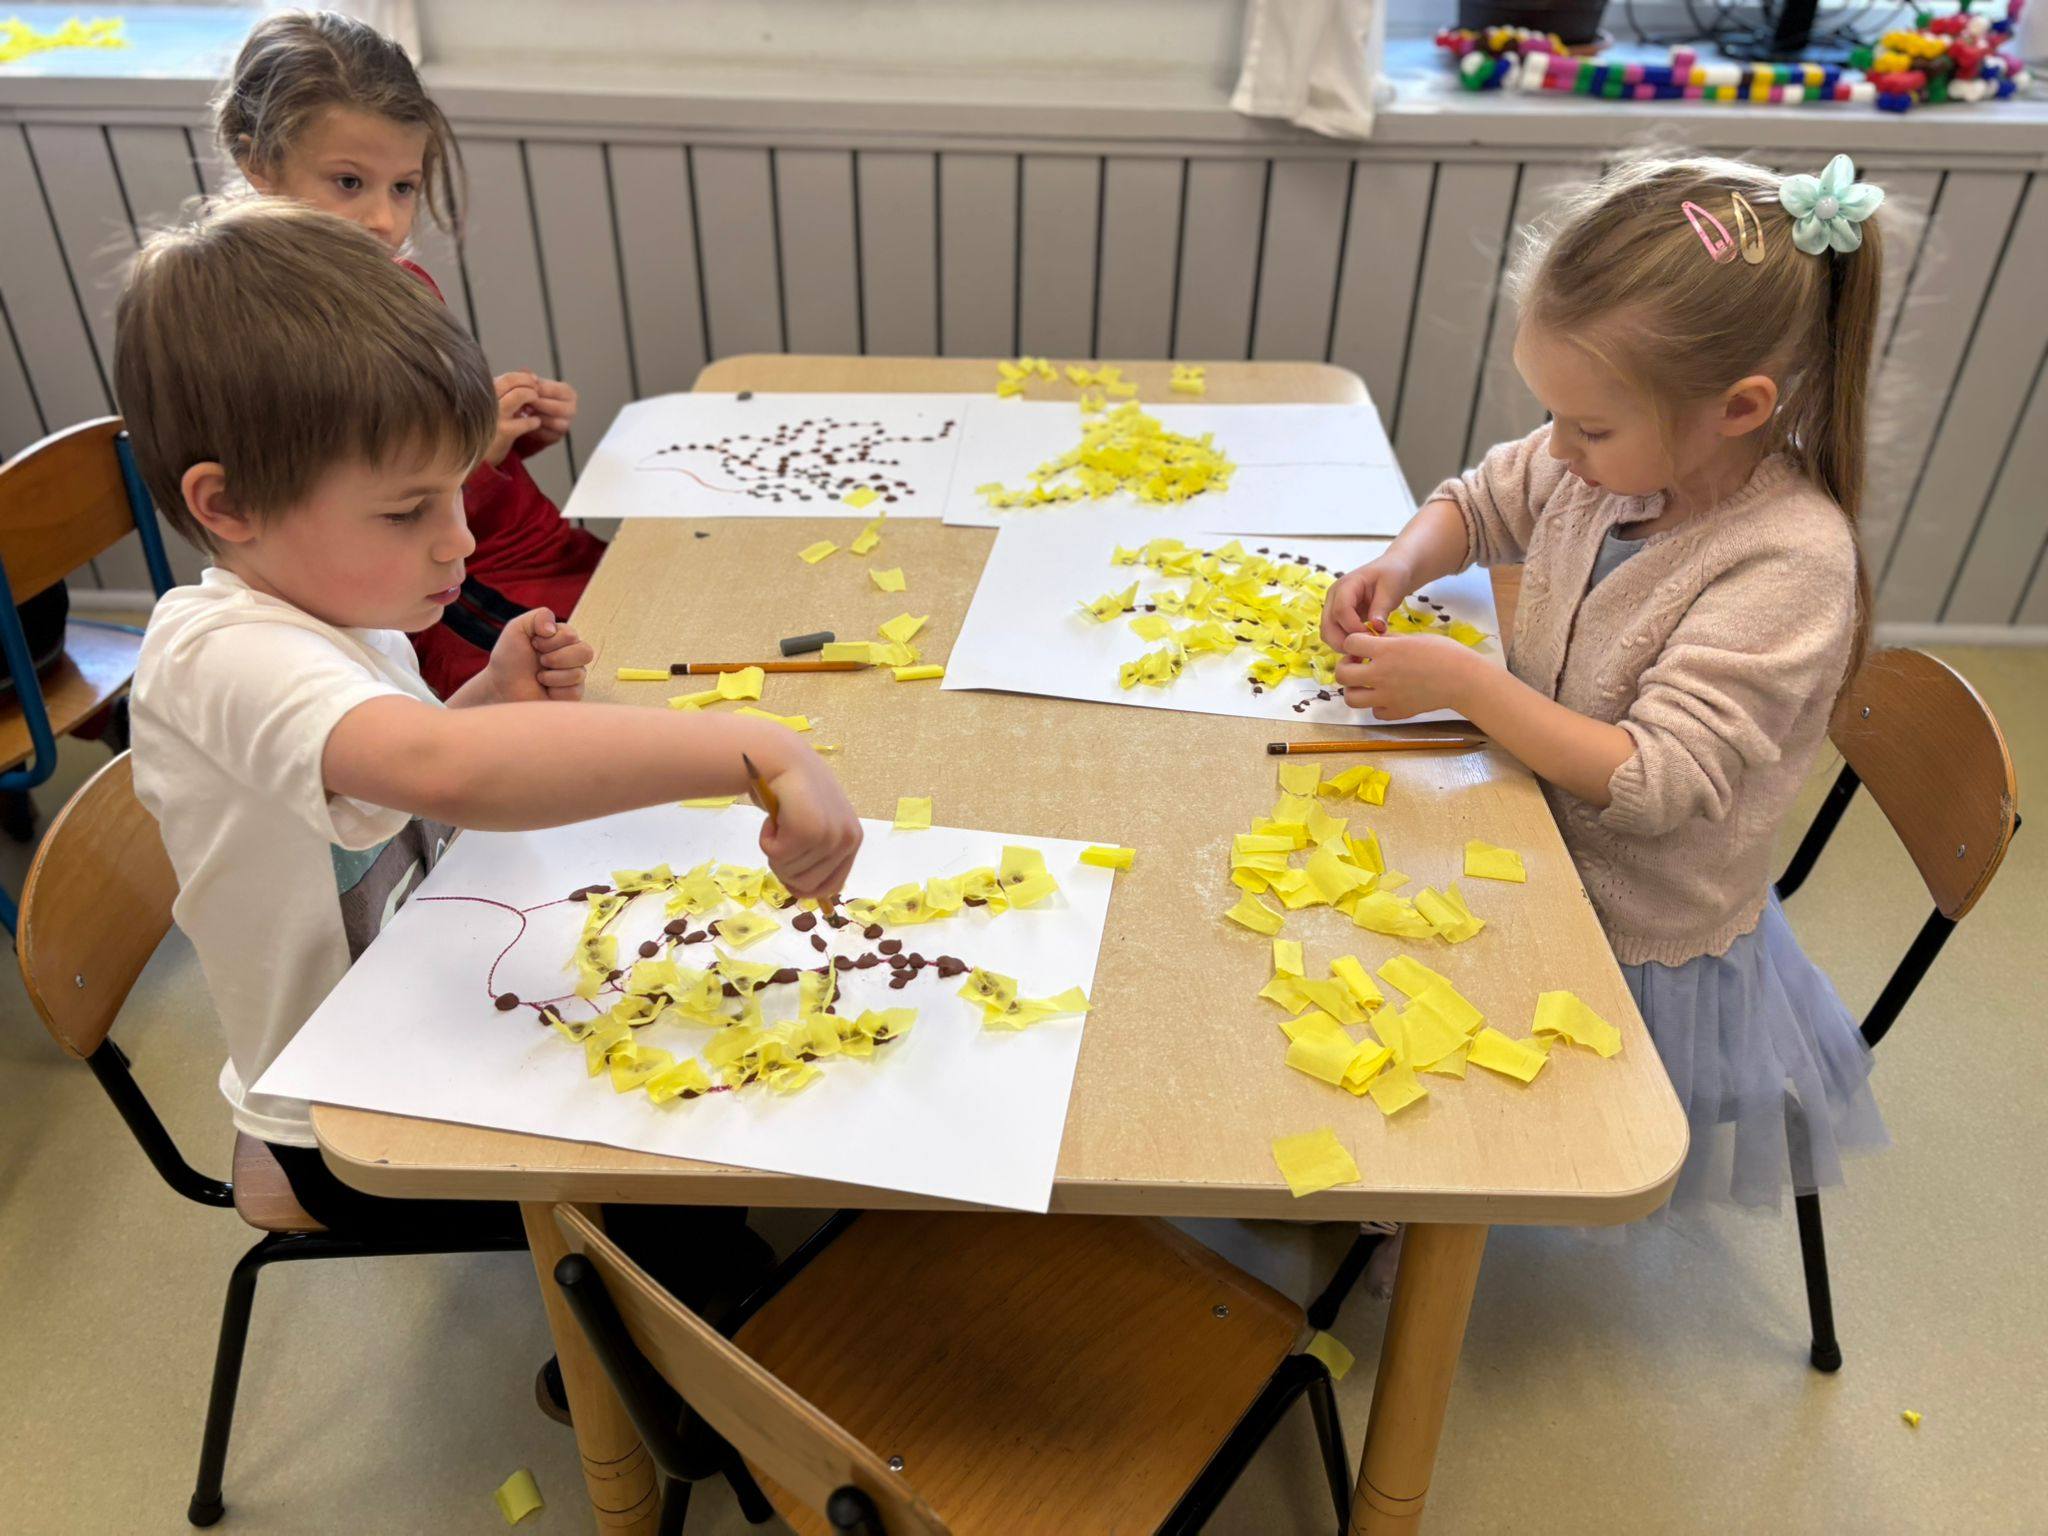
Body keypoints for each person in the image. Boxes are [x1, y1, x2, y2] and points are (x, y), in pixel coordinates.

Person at [116, 199, 861, 1407]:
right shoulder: (218, 654)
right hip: (343, 1118)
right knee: (681, 1155)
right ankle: (647, 1374)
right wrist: (748, 747)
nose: (457, 544)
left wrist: (489, 697)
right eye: (405, 512)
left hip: (436, 979)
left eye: (456, 495)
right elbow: (440, 775)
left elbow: (394, 773)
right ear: (228, 506)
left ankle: (684, 1282)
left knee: (708, 1053)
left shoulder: (340, 607)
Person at [1323, 153, 1890, 1245]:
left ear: (1738, 408)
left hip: (1625, 921)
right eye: (1552, 416)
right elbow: (1479, 501)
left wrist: (1465, 683)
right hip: (1530, 832)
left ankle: (1429, 1226)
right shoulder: (1612, 463)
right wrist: (1398, 564)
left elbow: (1653, 782)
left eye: (1587, 428)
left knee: (1428, 1074)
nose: (1559, 451)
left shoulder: (1788, 563)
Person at [213, 8, 604, 698]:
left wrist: (508, 432)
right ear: (258, 164)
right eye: (348, 183)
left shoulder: (405, 283)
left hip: (523, 551)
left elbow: (429, 445)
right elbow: (368, 515)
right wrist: (476, 456)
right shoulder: (262, 334)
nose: (384, 220)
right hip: (447, 606)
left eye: (403, 187)